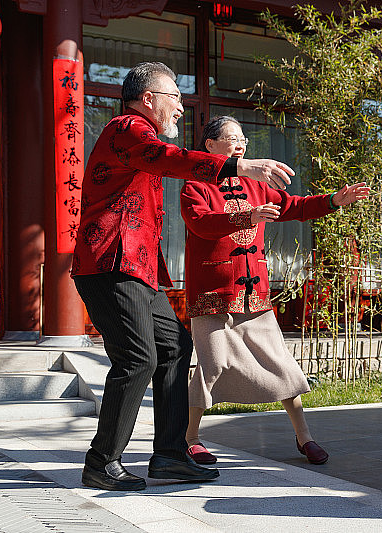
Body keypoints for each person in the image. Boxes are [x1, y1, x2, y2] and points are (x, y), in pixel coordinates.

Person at [72, 62, 297, 491]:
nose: (181, 106)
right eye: (175, 96)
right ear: (147, 99)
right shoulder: (128, 127)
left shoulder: (143, 136)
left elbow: (165, 162)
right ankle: (102, 461)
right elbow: (169, 159)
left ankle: (171, 455)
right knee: (138, 358)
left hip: (137, 268)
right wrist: (237, 167)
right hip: (109, 265)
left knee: (175, 346)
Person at [180, 116, 370, 465]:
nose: (241, 144)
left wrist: (333, 201)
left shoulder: (255, 185)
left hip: (255, 294)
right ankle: (191, 437)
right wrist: (248, 217)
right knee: (212, 364)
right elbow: (200, 224)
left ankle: (304, 437)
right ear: (210, 146)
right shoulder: (196, 185)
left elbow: (294, 206)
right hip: (212, 295)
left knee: (282, 365)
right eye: (231, 138)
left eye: (243, 139)